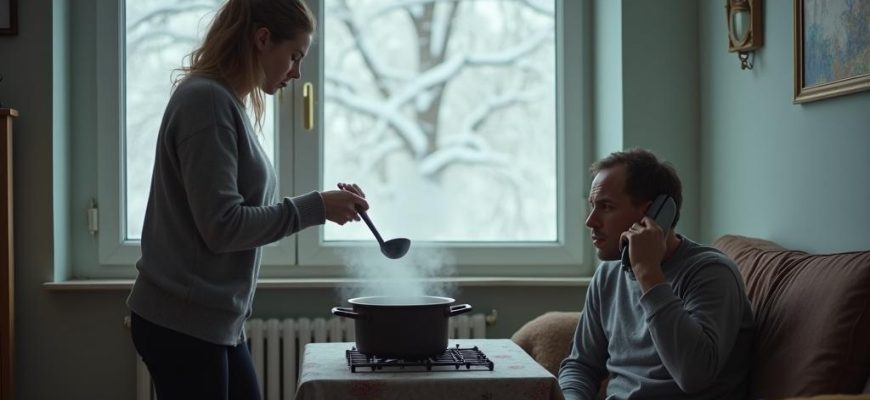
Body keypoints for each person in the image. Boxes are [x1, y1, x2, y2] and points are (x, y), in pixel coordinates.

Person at [126, 1, 368, 399]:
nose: (297, 72)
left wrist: (324, 204)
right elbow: (222, 227)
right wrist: (317, 208)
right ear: (262, 39)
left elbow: (232, 215)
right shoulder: (206, 102)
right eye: (295, 56)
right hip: (182, 321)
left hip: (211, 321)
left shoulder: (224, 101)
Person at [558, 148, 755, 400]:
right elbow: (580, 366)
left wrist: (648, 273)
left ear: (653, 215)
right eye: (592, 206)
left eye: (606, 206)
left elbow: (693, 375)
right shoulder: (608, 275)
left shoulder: (712, 274)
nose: (591, 221)